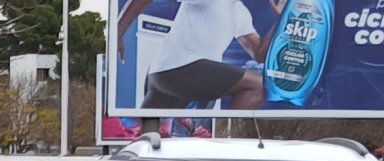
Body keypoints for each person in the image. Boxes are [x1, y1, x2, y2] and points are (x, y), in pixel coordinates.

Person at [119, 0, 286, 110]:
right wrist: (118, 31)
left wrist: (281, 19)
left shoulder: (237, 10)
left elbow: (259, 54)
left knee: (150, 139)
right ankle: (223, 146)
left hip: (167, 75)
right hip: (178, 69)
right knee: (261, 85)